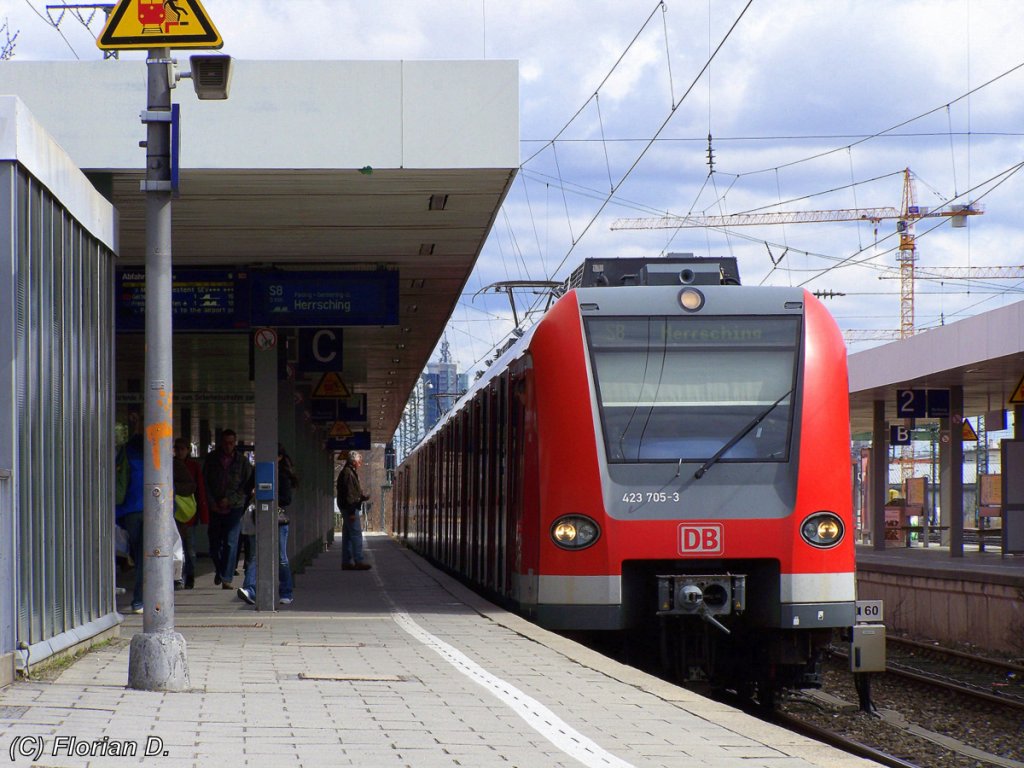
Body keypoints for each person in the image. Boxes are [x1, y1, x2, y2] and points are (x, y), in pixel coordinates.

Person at [238, 444, 298, 606]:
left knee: (281, 557)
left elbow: (286, 499)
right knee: (256, 555)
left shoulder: (283, 475)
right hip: (259, 518)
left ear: (279, 457)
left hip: (278, 520)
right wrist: (253, 491)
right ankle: (250, 589)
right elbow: (246, 489)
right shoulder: (257, 471)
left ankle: (286, 591)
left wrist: (268, 494)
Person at [202, 429, 253, 589]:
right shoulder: (211, 459)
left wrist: (230, 500)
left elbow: (247, 485)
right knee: (215, 544)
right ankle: (220, 569)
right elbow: (205, 482)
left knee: (231, 542)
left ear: (235, 443)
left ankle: (226, 577)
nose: (228, 446)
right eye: (225, 443)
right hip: (215, 506)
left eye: (231, 443)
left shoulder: (242, 462)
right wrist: (212, 502)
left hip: (235, 507)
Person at [115, 411, 145, 613]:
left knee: (139, 552)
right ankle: (139, 600)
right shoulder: (158, 450)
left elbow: (120, 483)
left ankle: (139, 599)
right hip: (152, 509)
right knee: (145, 555)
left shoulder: (126, 453)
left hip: (131, 509)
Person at [173, 438, 209, 590]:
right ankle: (178, 577)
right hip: (176, 512)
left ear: (188, 450)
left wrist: (203, 513)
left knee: (189, 547)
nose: (180, 451)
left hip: (188, 512)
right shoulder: (171, 464)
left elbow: (200, 490)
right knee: (177, 546)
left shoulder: (193, 466)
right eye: (177, 448)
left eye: (183, 448)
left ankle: (190, 576)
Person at [336, 450, 371, 570]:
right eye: (359, 460)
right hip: (350, 508)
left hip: (347, 507)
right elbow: (349, 494)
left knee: (347, 536)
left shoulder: (348, 472)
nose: (360, 462)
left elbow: (352, 492)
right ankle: (358, 561)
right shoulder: (349, 473)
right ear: (354, 461)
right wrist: (351, 512)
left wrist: (362, 497)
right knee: (356, 535)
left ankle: (346, 562)